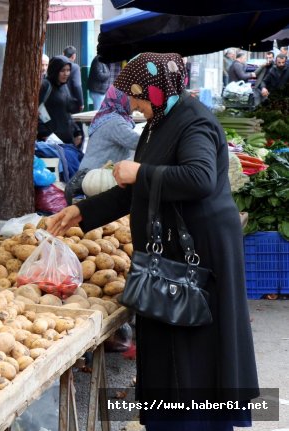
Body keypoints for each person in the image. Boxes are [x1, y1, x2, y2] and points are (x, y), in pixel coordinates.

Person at [46, 53, 258, 431]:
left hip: (200, 252)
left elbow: (200, 178)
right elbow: (136, 190)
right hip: (171, 252)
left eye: (137, 95)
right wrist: (82, 213)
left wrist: (141, 170)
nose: (132, 103)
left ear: (157, 90)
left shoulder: (194, 122)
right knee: (167, 335)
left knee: (196, 341)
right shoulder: (159, 122)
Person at [64, 85, 140, 203]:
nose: (136, 104)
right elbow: (138, 143)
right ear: (122, 99)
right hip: (92, 181)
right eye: (132, 98)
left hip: (87, 176)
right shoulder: (115, 122)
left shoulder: (107, 116)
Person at [37, 56, 80, 145]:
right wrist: (45, 134)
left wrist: (76, 131)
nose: (66, 74)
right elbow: (37, 110)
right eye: (62, 70)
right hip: (51, 141)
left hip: (67, 139)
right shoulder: (45, 85)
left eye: (68, 70)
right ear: (55, 70)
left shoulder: (64, 86)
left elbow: (66, 113)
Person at [59, 46, 84, 112]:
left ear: (63, 54)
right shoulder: (75, 67)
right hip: (70, 102)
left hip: (57, 100)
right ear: (73, 56)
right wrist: (81, 103)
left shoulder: (57, 64)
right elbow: (77, 85)